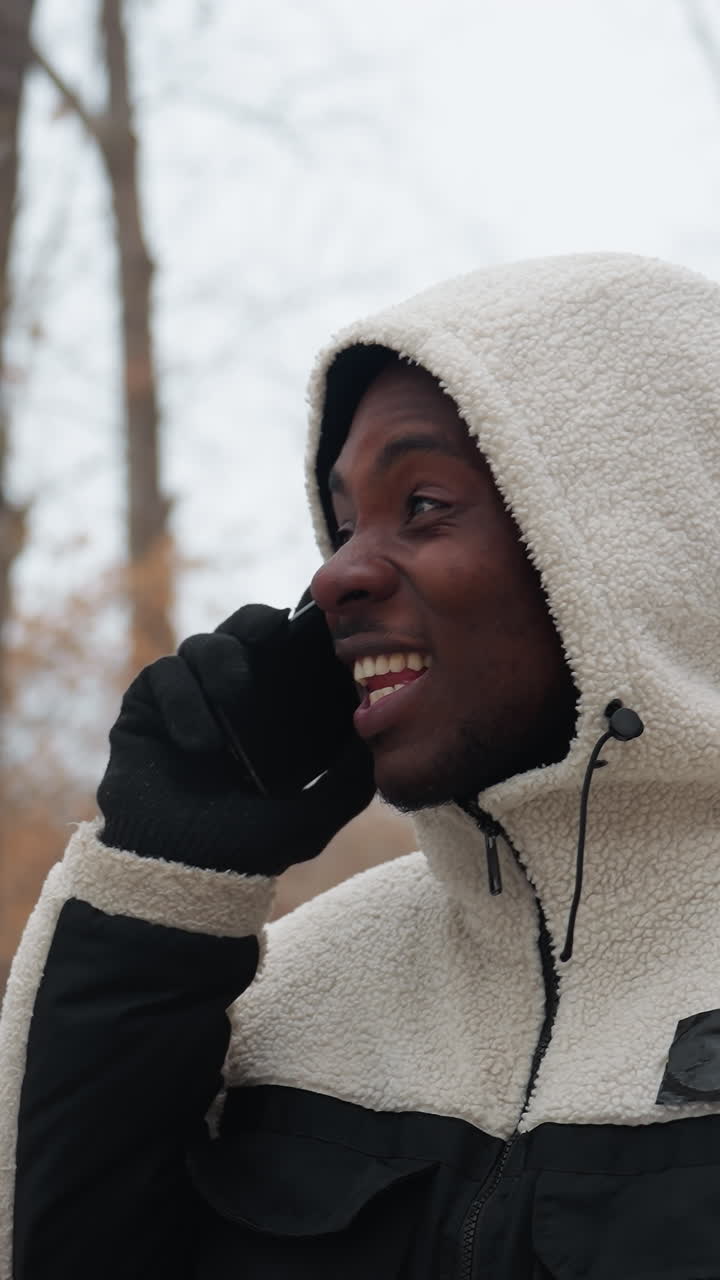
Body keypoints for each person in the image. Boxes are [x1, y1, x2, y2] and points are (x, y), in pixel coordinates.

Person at [1, 250, 719, 1279]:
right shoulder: (287, 989)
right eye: (341, 522)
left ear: (640, 539)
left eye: (422, 503)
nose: (338, 571)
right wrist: (152, 903)